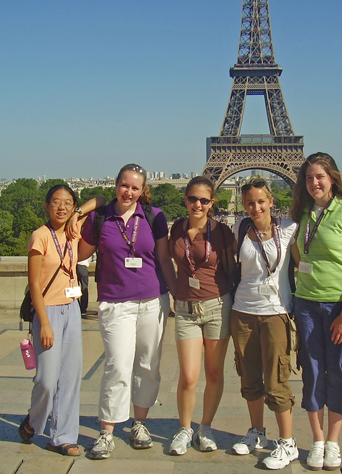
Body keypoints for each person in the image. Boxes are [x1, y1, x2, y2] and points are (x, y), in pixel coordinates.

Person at [78, 163, 177, 460]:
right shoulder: (99, 217)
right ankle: (107, 431)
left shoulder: (154, 216)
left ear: (142, 190)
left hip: (152, 300)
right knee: (117, 365)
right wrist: (79, 212)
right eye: (124, 185)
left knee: (148, 365)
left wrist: (177, 294)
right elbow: (80, 254)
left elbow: (164, 258)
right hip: (115, 302)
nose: (129, 192)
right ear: (116, 184)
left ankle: (139, 423)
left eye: (135, 187)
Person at [290, 152, 342, 470]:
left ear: (333, 178)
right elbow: (298, 253)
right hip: (306, 304)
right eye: (309, 178)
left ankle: (333, 441)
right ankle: (317, 440)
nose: (314, 183)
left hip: (338, 306)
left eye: (319, 176)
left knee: (338, 372)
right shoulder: (303, 213)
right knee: (311, 372)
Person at [18, 185, 105, 456]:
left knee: (69, 378)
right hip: (48, 311)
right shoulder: (40, 236)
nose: (62, 207)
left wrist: (77, 213)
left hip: (72, 309)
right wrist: (44, 323)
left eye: (68, 202)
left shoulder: (73, 228)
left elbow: (101, 199)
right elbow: (34, 283)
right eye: (56, 202)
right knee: (46, 379)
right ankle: (34, 419)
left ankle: (63, 437)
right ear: (46, 206)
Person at [229, 176, 299, 469]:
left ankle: (287, 442)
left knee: (276, 379)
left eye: (261, 201)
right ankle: (257, 431)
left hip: (275, 313)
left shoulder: (289, 229)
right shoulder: (239, 228)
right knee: (249, 377)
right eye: (250, 203)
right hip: (243, 312)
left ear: (271, 201)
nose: (255, 207)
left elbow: (303, 264)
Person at [168, 176, 235, 455]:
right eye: (193, 198)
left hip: (217, 306)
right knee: (188, 376)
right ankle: (185, 428)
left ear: (212, 203)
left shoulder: (222, 232)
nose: (198, 204)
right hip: (186, 309)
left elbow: (231, 269)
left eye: (204, 200)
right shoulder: (177, 229)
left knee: (214, 372)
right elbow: (166, 261)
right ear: (185, 199)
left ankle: (205, 427)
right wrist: (175, 291)